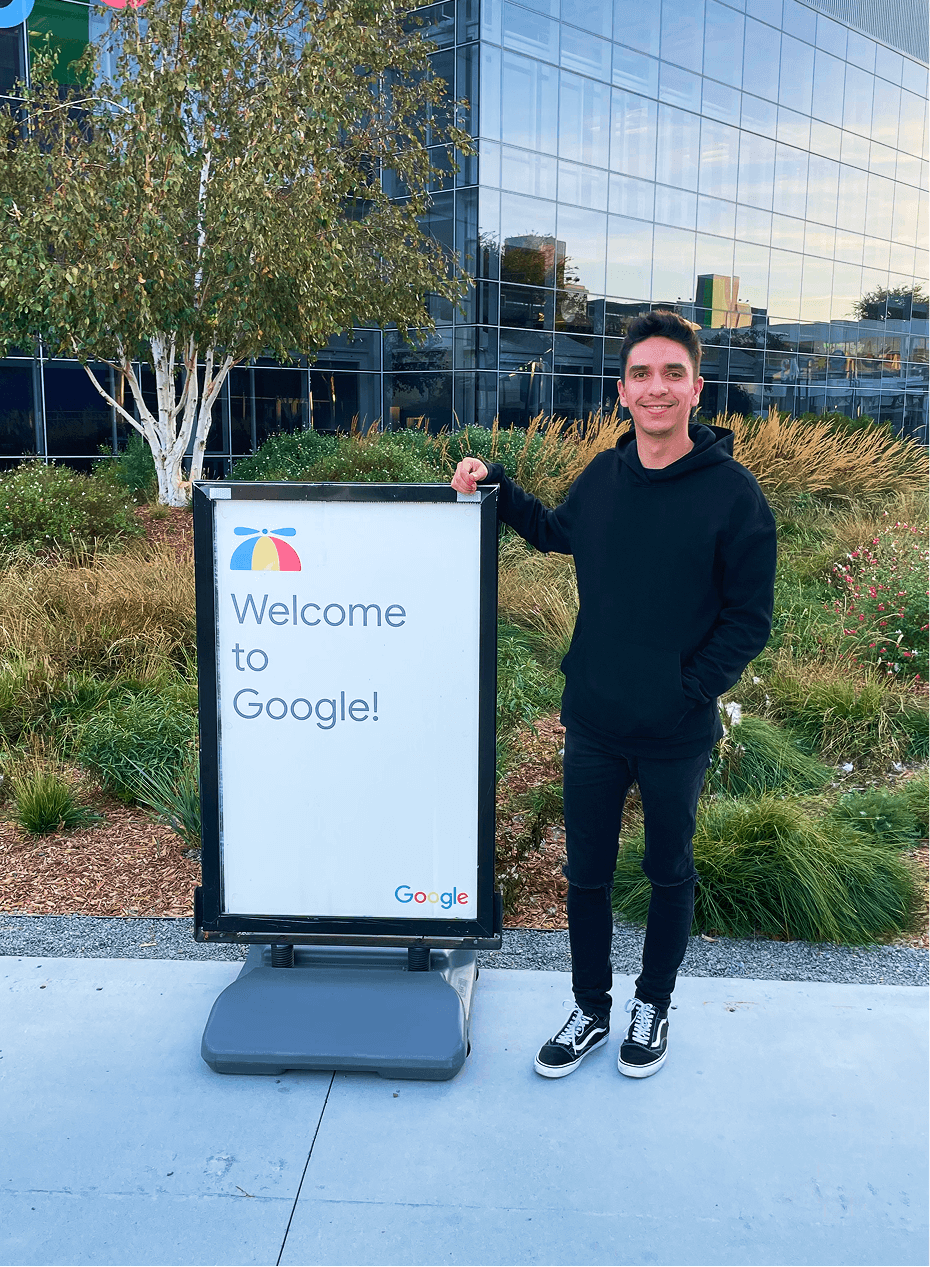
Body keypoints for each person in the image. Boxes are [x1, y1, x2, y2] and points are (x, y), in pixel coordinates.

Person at [451, 310, 776, 1080]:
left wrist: (684, 690)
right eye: (640, 374)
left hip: (673, 729)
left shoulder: (735, 496)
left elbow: (748, 620)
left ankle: (652, 1004)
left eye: (671, 373)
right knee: (587, 872)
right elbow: (558, 531)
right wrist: (497, 482)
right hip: (594, 719)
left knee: (669, 868)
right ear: (621, 390)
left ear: (696, 387)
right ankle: (590, 1008)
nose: (655, 387)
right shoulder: (603, 475)